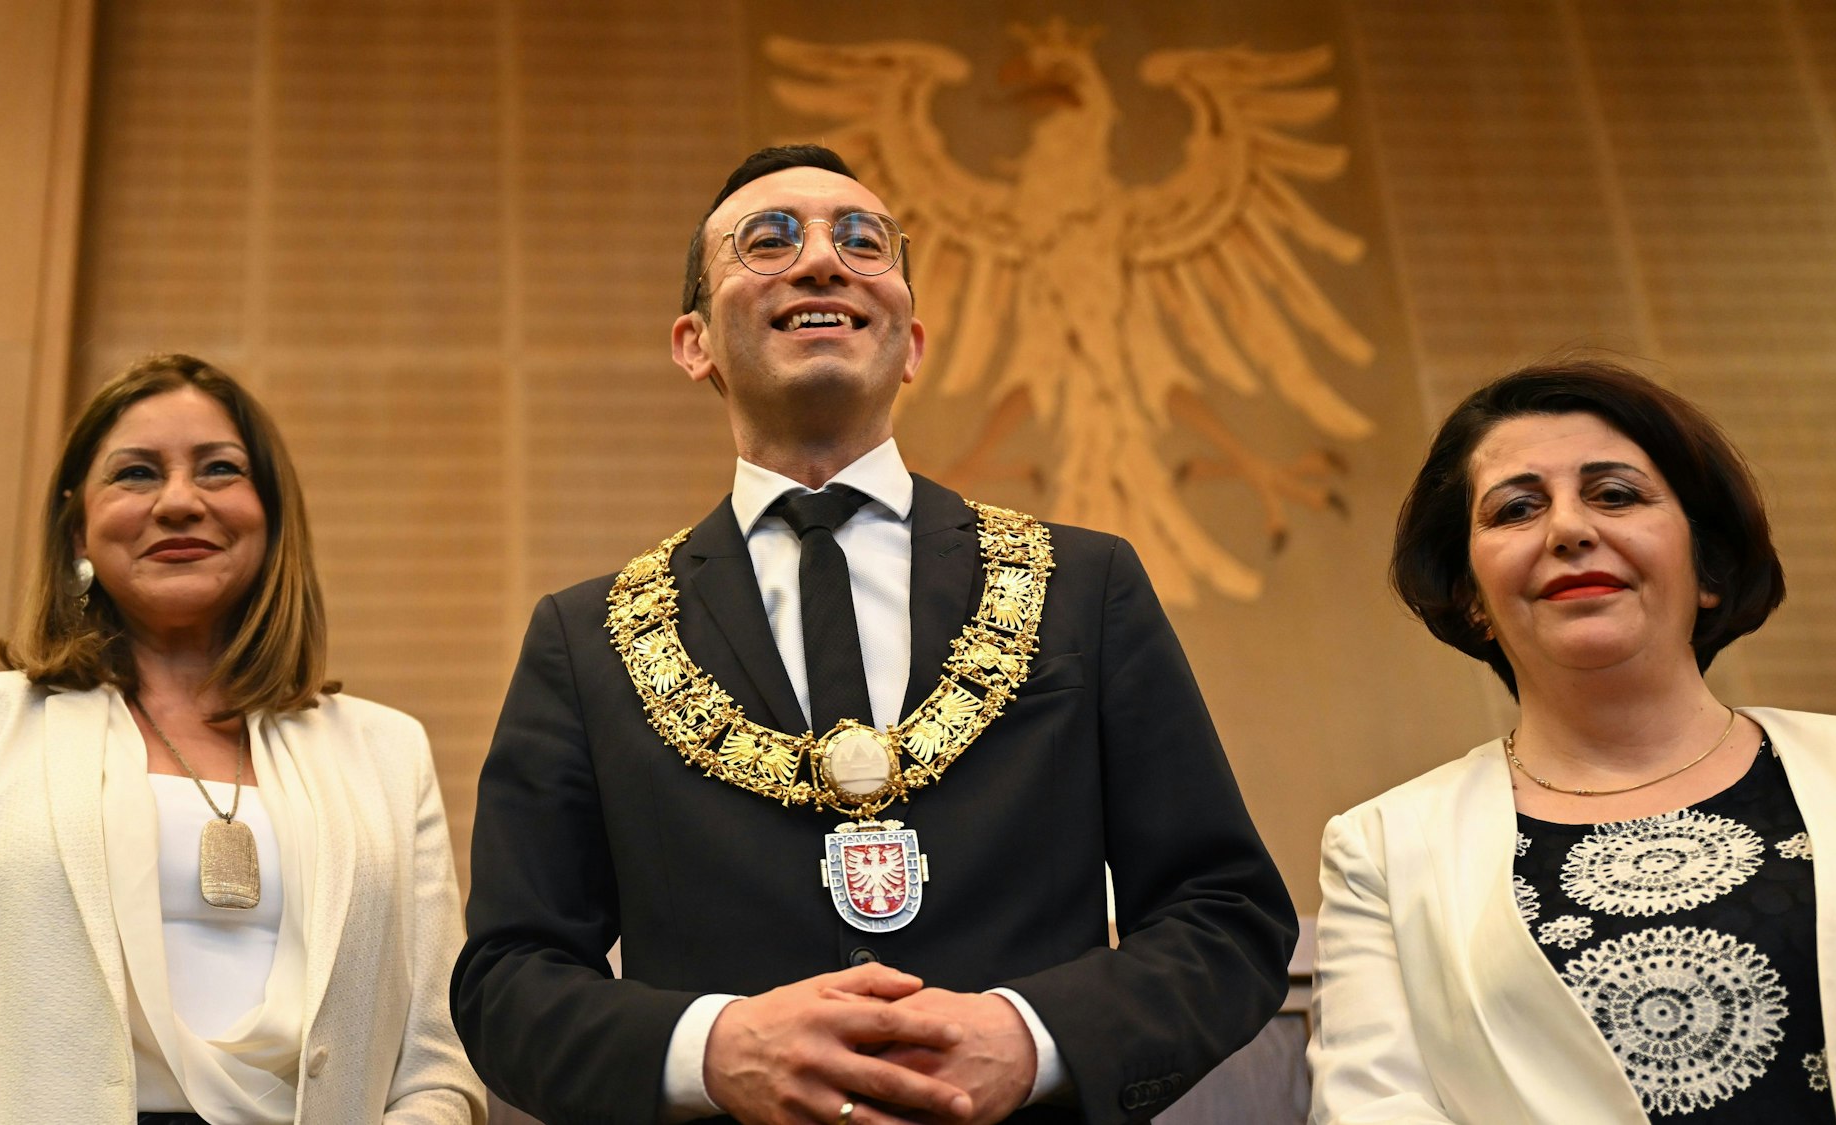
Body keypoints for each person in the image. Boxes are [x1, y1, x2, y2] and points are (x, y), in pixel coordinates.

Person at [451, 145, 1295, 1125]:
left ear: (912, 342)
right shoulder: (587, 637)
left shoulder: (1082, 586)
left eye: (862, 241)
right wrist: (715, 1049)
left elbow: (1225, 917)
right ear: (693, 343)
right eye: (768, 241)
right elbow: (509, 981)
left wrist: (1031, 1038)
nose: (821, 260)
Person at [0, 355, 485, 1124]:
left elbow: (438, 1065)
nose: (179, 501)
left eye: (219, 468)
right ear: (77, 525)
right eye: (136, 473)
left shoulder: (388, 752)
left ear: (272, 515)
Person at [1309, 358, 1831, 1123]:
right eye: (1516, 509)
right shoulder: (1383, 850)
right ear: (1470, 594)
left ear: (1708, 565)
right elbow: (1373, 1107)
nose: (1569, 530)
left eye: (1615, 494)